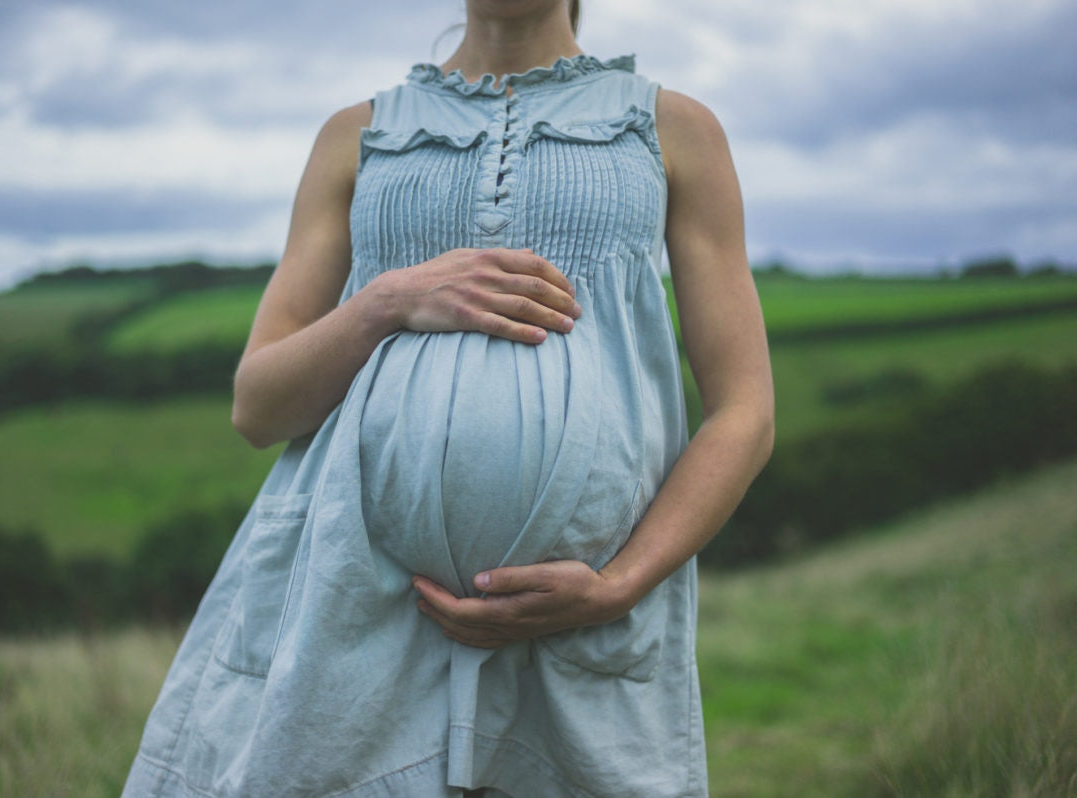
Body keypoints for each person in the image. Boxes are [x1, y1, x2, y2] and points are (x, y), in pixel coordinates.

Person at [122, 0, 773, 795]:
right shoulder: (355, 135)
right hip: (357, 613)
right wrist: (386, 301)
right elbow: (258, 405)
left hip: (581, 623)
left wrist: (620, 585)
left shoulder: (673, 129)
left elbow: (746, 411)